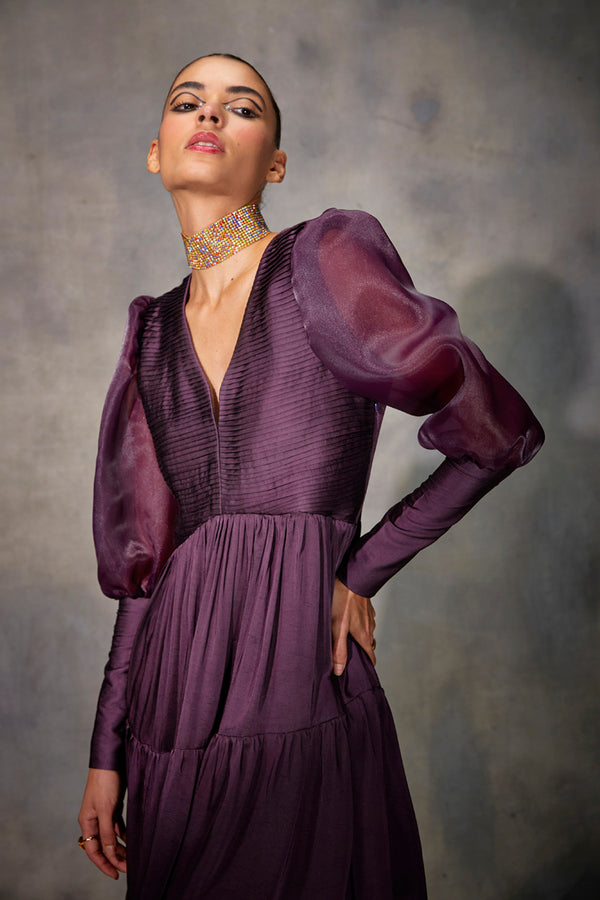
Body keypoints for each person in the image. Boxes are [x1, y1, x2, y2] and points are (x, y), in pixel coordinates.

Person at [77, 53, 544, 899]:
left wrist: (359, 571)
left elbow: (497, 434)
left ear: (277, 164)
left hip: (298, 668)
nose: (210, 115)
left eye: (242, 107)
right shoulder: (150, 333)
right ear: (156, 150)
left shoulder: (323, 262)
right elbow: (144, 570)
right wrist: (106, 752)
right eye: (188, 101)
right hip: (171, 696)